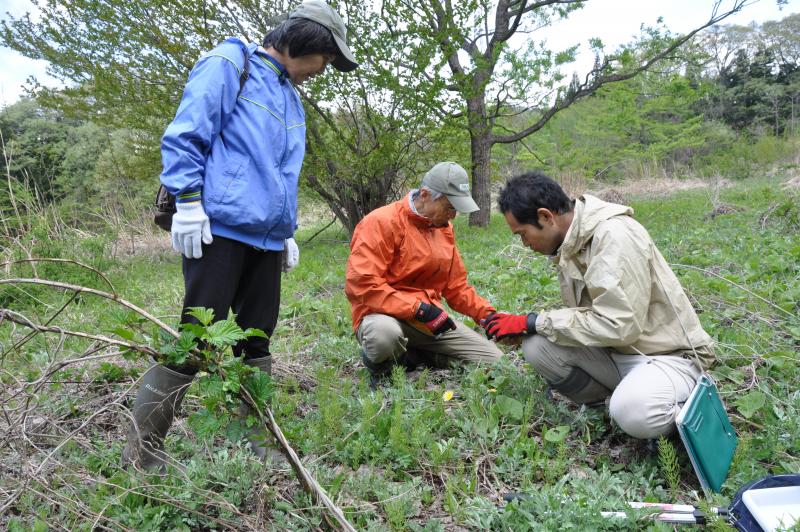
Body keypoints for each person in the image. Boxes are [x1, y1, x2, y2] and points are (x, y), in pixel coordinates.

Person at [122, 0, 358, 471]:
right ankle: (142, 450)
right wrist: (188, 202)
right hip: (219, 232)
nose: (322, 70)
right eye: (326, 59)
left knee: (256, 340)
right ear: (307, 42)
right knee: (198, 340)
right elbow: (187, 133)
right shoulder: (231, 63)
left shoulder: (290, 96)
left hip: (266, 240)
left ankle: (255, 441)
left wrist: (285, 230)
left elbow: (279, 171)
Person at [483, 171, 714, 439]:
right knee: (537, 346)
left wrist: (535, 321)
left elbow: (620, 325)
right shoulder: (571, 243)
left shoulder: (613, 235)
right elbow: (591, 318)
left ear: (546, 216)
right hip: (620, 353)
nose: (525, 244)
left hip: (669, 357)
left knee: (634, 411)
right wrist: (529, 329)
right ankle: (607, 408)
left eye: (523, 234)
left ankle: (684, 408)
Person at [345, 162, 503, 387]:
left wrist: (487, 316)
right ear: (426, 195)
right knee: (384, 337)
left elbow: (456, 286)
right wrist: (418, 309)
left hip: (429, 320)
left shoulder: (443, 227)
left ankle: (412, 355)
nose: (454, 215)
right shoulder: (381, 222)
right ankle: (383, 370)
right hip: (382, 316)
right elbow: (362, 286)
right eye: (450, 207)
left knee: (496, 363)